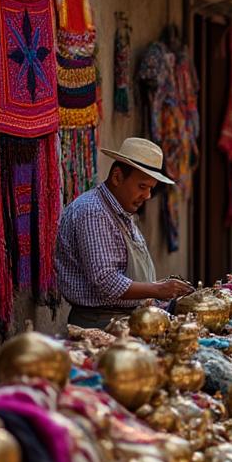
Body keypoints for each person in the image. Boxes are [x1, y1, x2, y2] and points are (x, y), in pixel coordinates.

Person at [55, 137, 195, 329]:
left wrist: (161, 289)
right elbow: (107, 281)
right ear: (117, 177)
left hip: (124, 320)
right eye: (142, 186)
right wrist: (157, 289)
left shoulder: (120, 212)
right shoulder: (93, 211)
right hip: (101, 324)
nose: (147, 196)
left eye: (151, 189)